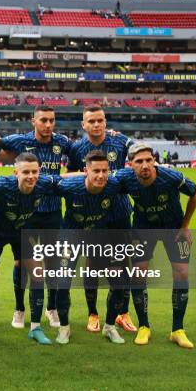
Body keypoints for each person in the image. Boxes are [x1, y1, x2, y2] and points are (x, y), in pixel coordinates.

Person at [0, 105, 73, 328]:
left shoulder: (62, 142)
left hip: (53, 211)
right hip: (28, 214)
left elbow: (82, 152)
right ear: (33, 121)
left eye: (51, 120)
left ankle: (51, 309)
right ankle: (19, 309)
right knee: (23, 264)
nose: (48, 125)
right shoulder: (20, 141)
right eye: (43, 120)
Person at [116, 143, 196, 349]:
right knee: (138, 273)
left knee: (181, 273)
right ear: (131, 165)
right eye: (139, 161)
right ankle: (144, 326)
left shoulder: (170, 176)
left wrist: (185, 225)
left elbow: (195, 192)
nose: (145, 165)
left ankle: (177, 329)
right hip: (143, 228)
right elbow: (97, 180)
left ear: (154, 160)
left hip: (174, 227)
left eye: (148, 160)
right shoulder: (124, 178)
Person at [67, 105, 136, 333]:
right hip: (93, 215)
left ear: (105, 122)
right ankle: (93, 313)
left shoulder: (119, 142)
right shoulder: (77, 148)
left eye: (100, 120)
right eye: (91, 121)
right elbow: (70, 178)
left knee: (123, 266)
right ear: (83, 125)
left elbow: (139, 154)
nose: (96, 125)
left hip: (120, 213)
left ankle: (122, 313)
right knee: (93, 265)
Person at [0, 152, 62, 345]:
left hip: (23, 233)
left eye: (35, 172)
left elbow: (64, 179)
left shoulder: (43, 183)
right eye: (26, 172)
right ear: (15, 172)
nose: (31, 176)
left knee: (37, 275)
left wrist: (88, 175)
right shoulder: (2, 185)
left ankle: (35, 328)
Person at [54, 150, 130, 345]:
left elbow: (138, 176)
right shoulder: (69, 186)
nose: (101, 175)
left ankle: (110, 326)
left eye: (105, 170)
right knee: (62, 283)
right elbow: (46, 181)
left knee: (119, 282)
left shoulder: (113, 185)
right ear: (85, 170)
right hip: (70, 236)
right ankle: (64, 328)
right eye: (96, 170)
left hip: (99, 236)